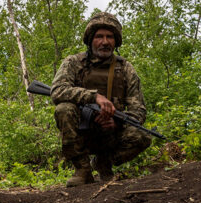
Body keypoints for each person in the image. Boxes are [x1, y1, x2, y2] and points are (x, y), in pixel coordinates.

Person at [50, 12, 151, 187]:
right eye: (99, 36)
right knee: (63, 109)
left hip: (110, 135)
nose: (105, 42)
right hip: (82, 133)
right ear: (90, 40)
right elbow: (57, 91)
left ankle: (104, 163)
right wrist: (94, 96)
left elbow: (138, 110)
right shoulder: (74, 63)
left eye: (109, 37)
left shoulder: (125, 68)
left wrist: (116, 123)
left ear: (116, 41)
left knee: (142, 135)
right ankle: (82, 170)